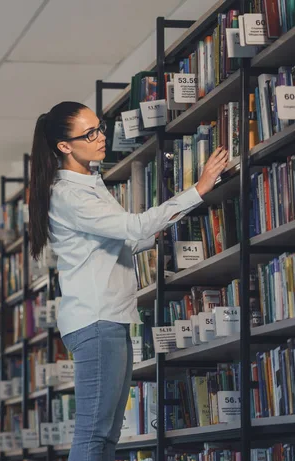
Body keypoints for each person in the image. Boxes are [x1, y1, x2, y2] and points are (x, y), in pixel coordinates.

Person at [27, 101, 229, 461]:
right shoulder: (70, 194)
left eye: (99, 127)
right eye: (89, 133)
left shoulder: (91, 182)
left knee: (106, 434)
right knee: (94, 433)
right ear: (64, 146)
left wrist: (163, 226)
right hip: (97, 320)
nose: (100, 137)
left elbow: (130, 240)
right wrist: (198, 190)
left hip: (110, 318)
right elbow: (133, 227)